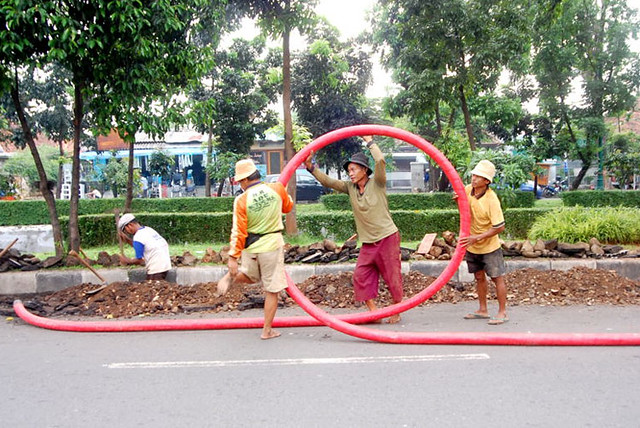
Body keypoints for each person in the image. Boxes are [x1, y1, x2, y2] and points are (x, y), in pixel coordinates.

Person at [304, 135, 403, 324]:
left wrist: (370, 141)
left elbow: (380, 160)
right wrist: (311, 167)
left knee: (392, 276)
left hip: (387, 237)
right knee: (360, 275)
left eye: (354, 169)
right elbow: (328, 182)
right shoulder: (350, 187)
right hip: (368, 242)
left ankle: (396, 309)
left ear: (365, 170)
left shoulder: (378, 183)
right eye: (349, 170)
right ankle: (373, 312)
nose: (350, 173)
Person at [216, 159, 293, 340]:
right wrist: (284, 192)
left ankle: (232, 276)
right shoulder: (277, 189)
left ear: (243, 180)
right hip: (271, 245)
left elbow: (238, 231)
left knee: (251, 277)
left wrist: (233, 258)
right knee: (272, 290)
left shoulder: (241, 200)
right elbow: (288, 207)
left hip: (250, 247)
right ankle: (267, 330)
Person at [457, 160, 508, 325]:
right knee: (479, 276)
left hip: (489, 246)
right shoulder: (467, 190)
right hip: (472, 244)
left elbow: (499, 227)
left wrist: (476, 238)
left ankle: (502, 312)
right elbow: (464, 209)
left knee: (496, 278)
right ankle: (483, 310)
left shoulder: (491, 199)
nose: (474, 179)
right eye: (473, 175)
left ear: (486, 181)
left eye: (478, 177)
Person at [118, 213, 172, 281]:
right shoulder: (148, 230)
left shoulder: (138, 237)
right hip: (164, 265)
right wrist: (127, 240)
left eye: (125, 230)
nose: (127, 232)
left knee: (152, 288)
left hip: (156, 269)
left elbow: (140, 260)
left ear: (130, 225)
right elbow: (143, 247)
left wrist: (127, 261)